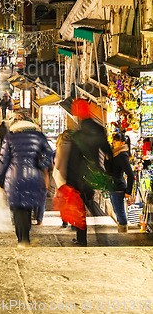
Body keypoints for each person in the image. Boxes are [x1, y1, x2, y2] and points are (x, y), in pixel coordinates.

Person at [0, 112, 53, 247]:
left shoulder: (10, 137)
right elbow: (49, 152)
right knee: (27, 208)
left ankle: (22, 239)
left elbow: (3, 160)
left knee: (18, 209)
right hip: (34, 176)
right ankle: (25, 237)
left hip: (15, 176)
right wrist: (41, 164)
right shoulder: (39, 136)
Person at [67, 98, 112, 246]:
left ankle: (82, 239)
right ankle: (101, 236)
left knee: (81, 209)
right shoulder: (99, 130)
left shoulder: (78, 136)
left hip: (80, 176)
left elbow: (73, 161)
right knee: (90, 203)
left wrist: (69, 181)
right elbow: (107, 151)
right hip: (94, 175)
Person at [104, 132, 134, 233]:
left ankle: (123, 234)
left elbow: (131, 175)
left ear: (122, 142)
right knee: (117, 212)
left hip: (118, 187)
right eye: (113, 140)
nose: (114, 142)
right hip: (113, 186)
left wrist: (128, 192)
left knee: (120, 213)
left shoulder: (122, 155)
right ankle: (121, 232)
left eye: (116, 141)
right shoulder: (114, 153)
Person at [53, 130, 74, 228]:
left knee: (63, 199)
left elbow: (57, 165)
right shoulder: (76, 147)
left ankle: (65, 220)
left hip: (61, 177)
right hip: (73, 176)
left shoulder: (61, 147)